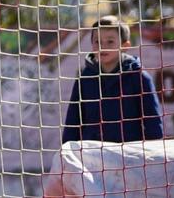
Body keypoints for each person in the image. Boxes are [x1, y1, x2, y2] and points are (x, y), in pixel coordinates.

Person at [61, 15, 163, 145]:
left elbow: (153, 123)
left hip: (127, 153)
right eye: (97, 42)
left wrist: (151, 152)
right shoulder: (85, 78)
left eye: (110, 42)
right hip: (91, 153)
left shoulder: (139, 77)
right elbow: (73, 122)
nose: (103, 46)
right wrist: (67, 149)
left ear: (125, 46)